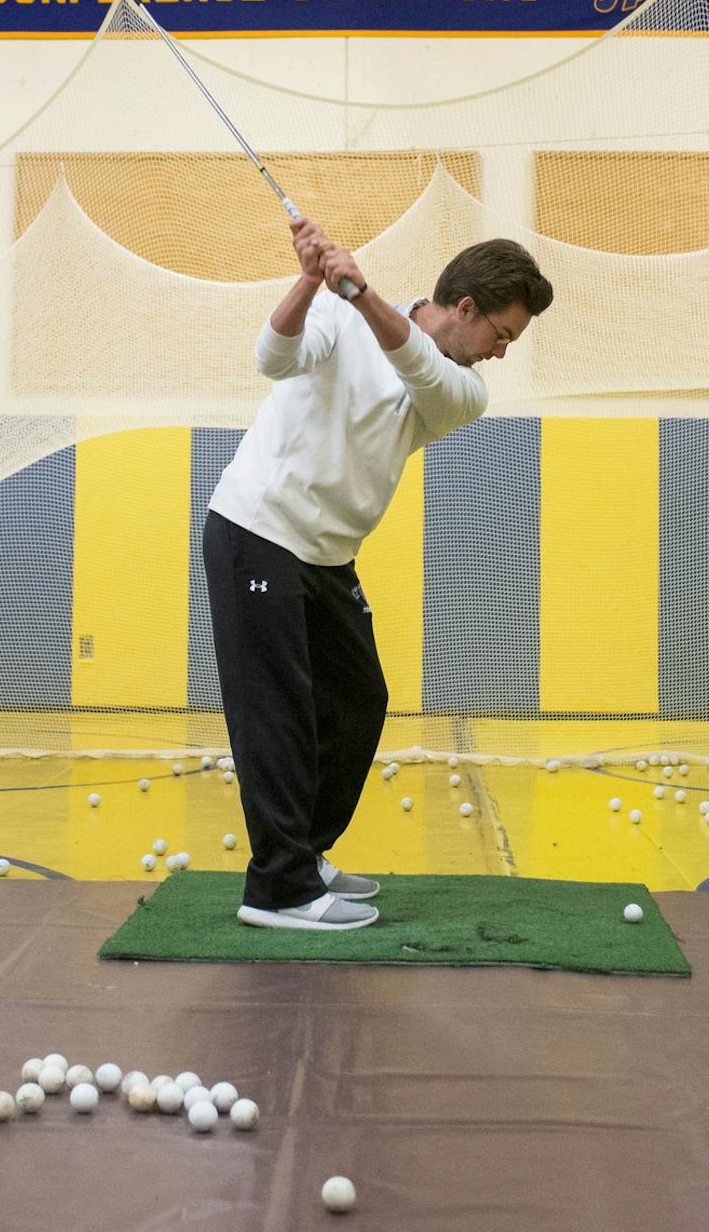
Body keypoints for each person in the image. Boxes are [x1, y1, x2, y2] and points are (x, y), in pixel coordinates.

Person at [205, 219, 554, 929]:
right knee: (276, 711)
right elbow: (272, 357)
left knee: (358, 698)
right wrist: (310, 280)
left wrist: (360, 292)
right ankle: (279, 888)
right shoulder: (337, 310)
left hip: (327, 555)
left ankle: (303, 850)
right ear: (466, 308)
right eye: (502, 333)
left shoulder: (461, 388)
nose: (502, 350)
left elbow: (418, 365)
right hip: (258, 529)